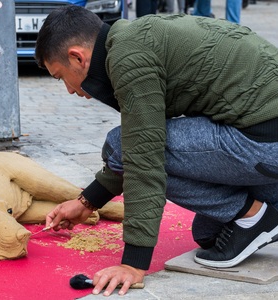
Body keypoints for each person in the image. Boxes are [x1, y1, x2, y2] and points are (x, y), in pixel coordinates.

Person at [35, 6, 278, 297]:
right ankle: (261, 211)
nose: (69, 90)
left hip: (263, 142)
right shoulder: (130, 38)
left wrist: (134, 264)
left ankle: (254, 216)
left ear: (77, 57)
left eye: (60, 77)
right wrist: (87, 202)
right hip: (261, 137)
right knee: (208, 235)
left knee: (121, 143)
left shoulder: (128, 58)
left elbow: (142, 156)